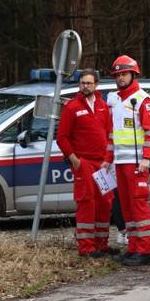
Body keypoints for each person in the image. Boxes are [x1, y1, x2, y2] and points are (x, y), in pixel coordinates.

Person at [102, 55, 150, 266]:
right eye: (117, 75)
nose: (120, 78)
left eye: (124, 74)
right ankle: (133, 247)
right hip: (120, 163)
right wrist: (108, 159)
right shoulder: (117, 101)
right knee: (126, 207)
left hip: (136, 164)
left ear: (133, 74)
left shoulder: (143, 100)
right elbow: (113, 135)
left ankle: (144, 251)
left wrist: (146, 158)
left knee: (138, 206)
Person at [56, 69, 118, 258]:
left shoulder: (102, 106)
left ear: (96, 85)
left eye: (89, 83)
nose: (85, 86)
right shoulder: (72, 107)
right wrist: (74, 160)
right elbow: (62, 137)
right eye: (82, 83)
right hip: (84, 163)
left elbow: (109, 134)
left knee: (105, 203)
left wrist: (108, 159)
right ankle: (86, 248)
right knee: (87, 204)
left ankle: (102, 245)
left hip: (103, 164)